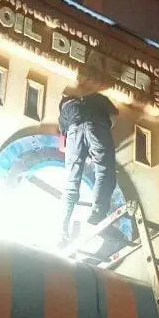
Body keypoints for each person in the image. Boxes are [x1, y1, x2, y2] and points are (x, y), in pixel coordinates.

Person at [58, 89, 118, 243]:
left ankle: (62, 231)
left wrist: (82, 152)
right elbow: (114, 114)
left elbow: (63, 143)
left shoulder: (64, 111)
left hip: (73, 130)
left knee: (71, 182)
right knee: (105, 172)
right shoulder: (96, 98)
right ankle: (97, 215)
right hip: (97, 125)